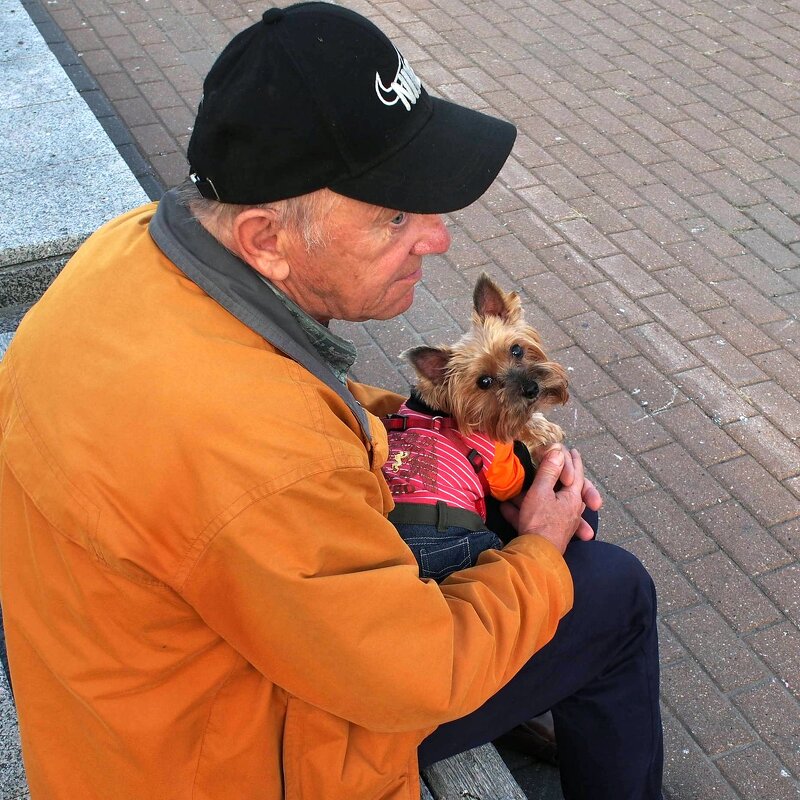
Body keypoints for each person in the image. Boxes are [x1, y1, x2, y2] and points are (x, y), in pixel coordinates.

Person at [0, 3, 663, 799]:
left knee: (521, 510)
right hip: (245, 755)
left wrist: (451, 431)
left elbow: (296, 399)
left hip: (128, 700)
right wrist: (542, 550)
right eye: (393, 214)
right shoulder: (255, 454)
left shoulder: (134, 249)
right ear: (266, 240)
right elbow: (414, 672)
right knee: (610, 590)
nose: (436, 236)